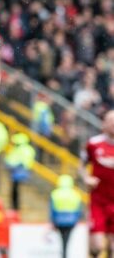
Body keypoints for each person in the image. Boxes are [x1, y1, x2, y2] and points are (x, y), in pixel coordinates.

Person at [80, 109, 114, 258]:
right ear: (104, 124)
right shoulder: (94, 144)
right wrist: (86, 178)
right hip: (98, 201)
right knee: (97, 246)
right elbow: (81, 165)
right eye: (110, 121)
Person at [49, 174, 82, 258]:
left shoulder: (55, 194)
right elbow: (78, 210)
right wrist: (77, 220)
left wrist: (52, 221)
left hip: (59, 221)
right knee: (66, 240)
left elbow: (52, 210)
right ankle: (64, 254)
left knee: (62, 240)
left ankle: (64, 254)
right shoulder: (75, 194)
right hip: (71, 221)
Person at [5, 132, 36, 211]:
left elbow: (12, 160)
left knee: (16, 191)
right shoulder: (28, 149)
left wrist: (10, 165)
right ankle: (15, 207)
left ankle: (15, 208)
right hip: (21, 171)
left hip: (19, 171)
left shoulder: (21, 150)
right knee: (16, 191)